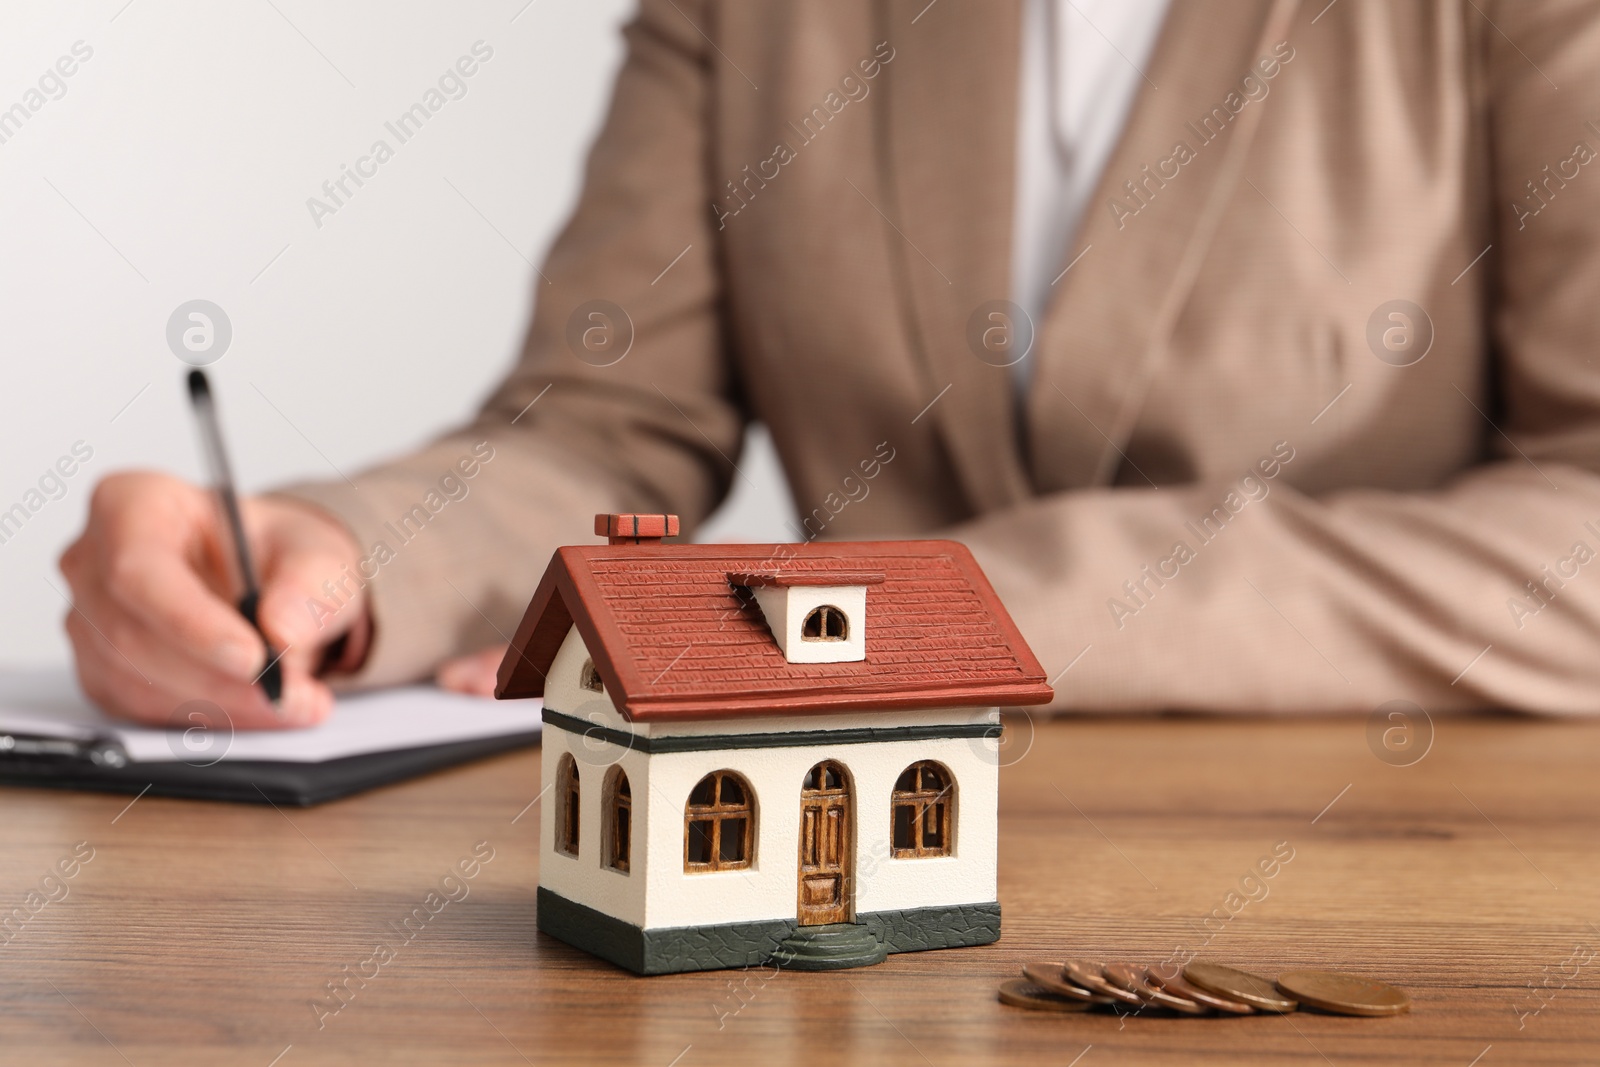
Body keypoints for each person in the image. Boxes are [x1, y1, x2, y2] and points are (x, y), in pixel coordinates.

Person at [59, 0, 1600, 729]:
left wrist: (924, 616)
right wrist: (344, 561)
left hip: (1387, 891)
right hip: (833, 898)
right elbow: (603, 425)